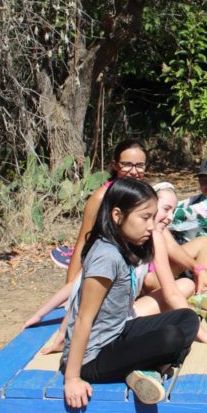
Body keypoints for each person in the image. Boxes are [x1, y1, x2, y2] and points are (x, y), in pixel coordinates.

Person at [27, 181, 207, 350]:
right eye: (162, 211)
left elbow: (171, 290)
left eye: (172, 211)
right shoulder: (109, 246)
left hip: (125, 311)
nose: (169, 217)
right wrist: (43, 316)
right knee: (171, 334)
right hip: (106, 325)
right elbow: (79, 287)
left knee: (185, 290)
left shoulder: (153, 237)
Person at [62, 178, 199, 408]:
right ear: (117, 215)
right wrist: (72, 378)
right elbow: (84, 318)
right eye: (144, 218)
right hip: (93, 357)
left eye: (152, 217)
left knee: (188, 318)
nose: (150, 226)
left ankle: (147, 369)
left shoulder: (124, 245)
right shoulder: (105, 256)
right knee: (171, 338)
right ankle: (151, 368)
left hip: (118, 332)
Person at [23, 140, 148, 330]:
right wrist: (71, 288)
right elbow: (83, 240)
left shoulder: (143, 193)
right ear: (115, 165)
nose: (134, 171)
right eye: (127, 164)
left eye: (139, 165)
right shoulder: (101, 197)